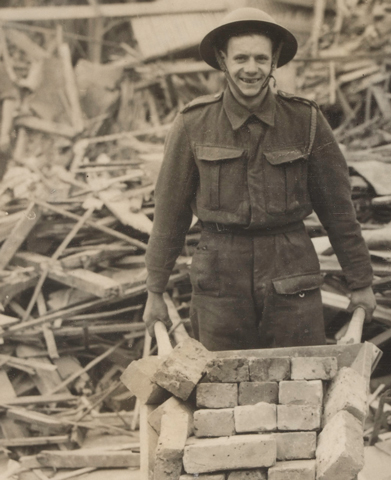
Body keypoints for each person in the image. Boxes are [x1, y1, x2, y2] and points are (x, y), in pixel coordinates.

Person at [143, 7, 376, 351]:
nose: (250, 69)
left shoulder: (305, 120)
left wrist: (361, 282)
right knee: (219, 387)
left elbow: (339, 210)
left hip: (291, 275)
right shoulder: (193, 123)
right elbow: (169, 214)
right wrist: (155, 290)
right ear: (223, 60)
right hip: (220, 281)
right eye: (240, 58)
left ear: (274, 61)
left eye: (260, 58)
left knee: (300, 381)